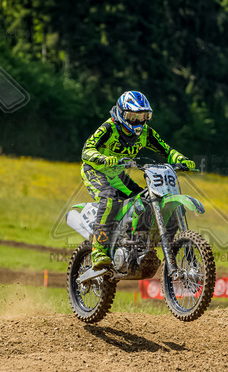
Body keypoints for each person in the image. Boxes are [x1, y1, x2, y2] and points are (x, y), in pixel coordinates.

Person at [81, 90, 195, 269]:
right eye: (133, 116)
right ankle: (98, 251)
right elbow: (86, 150)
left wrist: (181, 159)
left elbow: (166, 150)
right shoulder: (109, 128)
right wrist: (103, 158)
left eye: (143, 116)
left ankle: (133, 242)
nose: (137, 121)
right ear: (121, 114)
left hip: (118, 175)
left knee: (144, 200)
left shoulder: (146, 133)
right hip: (95, 171)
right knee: (110, 199)